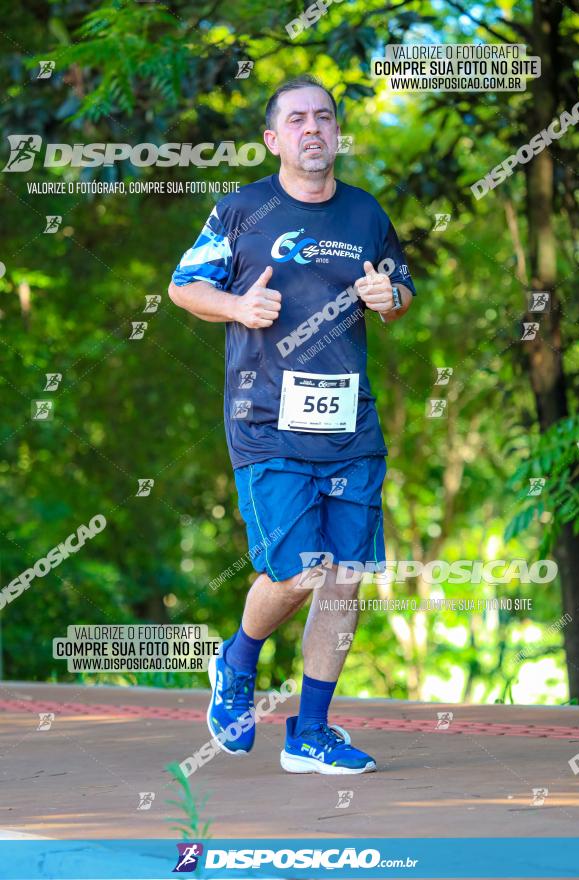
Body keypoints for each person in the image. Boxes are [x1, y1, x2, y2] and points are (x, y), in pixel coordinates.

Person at [168, 75, 416, 774]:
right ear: (274, 139)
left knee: (345, 578)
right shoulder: (242, 209)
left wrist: (385, 295)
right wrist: (237, 310)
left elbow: (398, 293)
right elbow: (184, 286)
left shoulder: (366, 215)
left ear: (337, 134)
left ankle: (309, 733)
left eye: (325, 118)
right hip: (265, 418)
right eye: (298, 120)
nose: (314, 129)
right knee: (299, 571)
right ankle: (236, 662)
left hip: (350, 424)